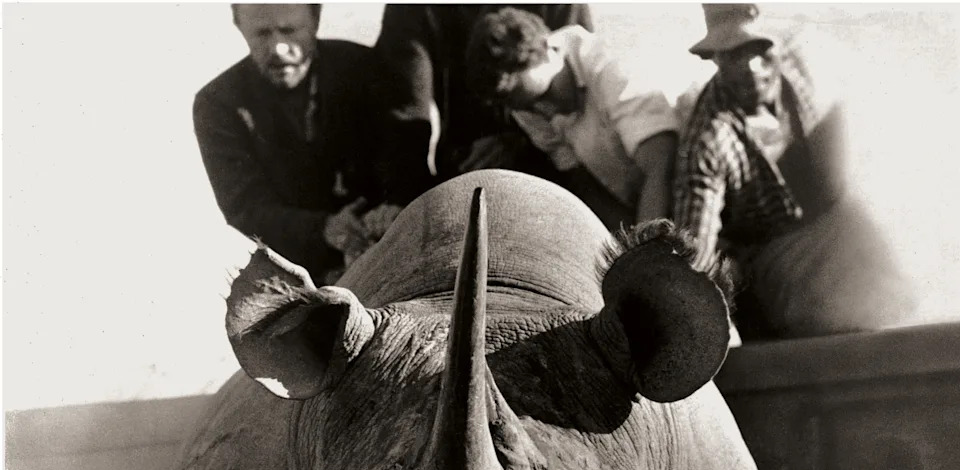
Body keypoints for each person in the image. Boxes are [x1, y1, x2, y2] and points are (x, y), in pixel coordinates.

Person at [674, 3, 914, 336]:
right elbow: (695, 244)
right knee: (827, 318)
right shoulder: (707, 138)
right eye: (732, 57)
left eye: (758, 49)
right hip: (771, 251)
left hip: (834, 223)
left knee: (895, 276)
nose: (751, 67)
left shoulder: (808, 66)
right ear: (714, 60)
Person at [193, 4, 392, 284]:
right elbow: (245, 208)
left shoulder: (363, 67)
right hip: (301, 275)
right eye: (262, 34)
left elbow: (402, 151)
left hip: (390, 250)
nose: (278, 48)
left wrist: (392, 208)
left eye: (289, 30)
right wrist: (324, 230)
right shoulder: (217, 103)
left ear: (316, 19)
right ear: (240, 27)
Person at [465, 8, 679, 228]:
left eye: (546, 95)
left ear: (551, 49)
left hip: (693, 190)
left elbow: (661, 164)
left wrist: (644, 249)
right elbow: (582, 181)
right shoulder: (525, 103)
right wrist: (623, 249)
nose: (547, 112)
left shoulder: (610, 67)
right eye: (530, 107)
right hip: (643, 209)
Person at [374, 5, 593, 206]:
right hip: (466, 167)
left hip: (549, 165)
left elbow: (584, 94)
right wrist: (405, 204)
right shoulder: (410, 9)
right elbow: (408, 112)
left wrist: (516, 142)